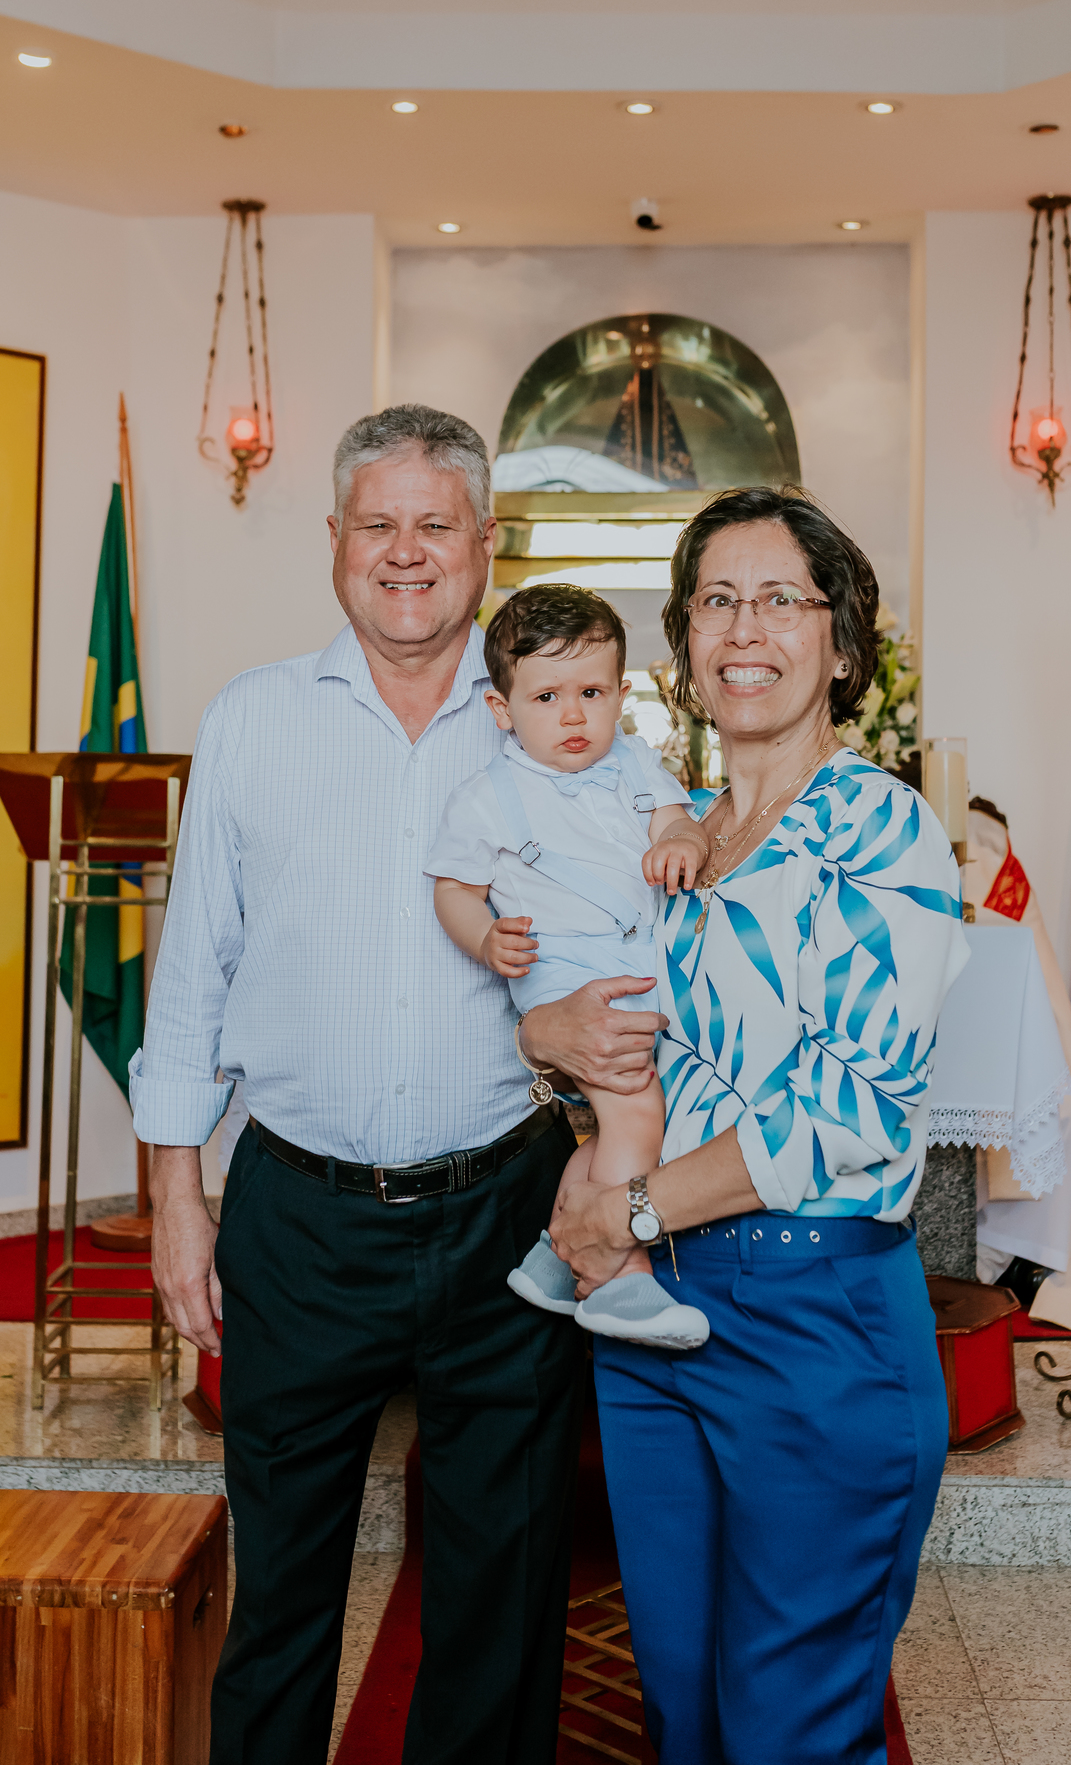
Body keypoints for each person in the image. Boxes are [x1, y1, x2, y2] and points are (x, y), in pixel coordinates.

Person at [132, 404, 668, 1765]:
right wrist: (177, 1195)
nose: (407, 552)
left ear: (487, 545)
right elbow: (192, 969)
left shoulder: (558, 728)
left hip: (503, 1204)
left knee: (502, 1590)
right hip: (298, 1215)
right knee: (284, 1594)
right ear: (334, 542)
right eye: (379, 523)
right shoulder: (255, 719)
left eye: (438, 524)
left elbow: (652, 909)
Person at [547, 486, 971, 1765]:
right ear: (684, 644)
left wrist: (622, 1210)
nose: (746, 628)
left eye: (781, 598)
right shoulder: (679, 840)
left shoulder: (879, 828)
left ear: (842, 643)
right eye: (715, 601)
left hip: (814, 1318)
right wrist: (555, 1050)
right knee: (683, 1708)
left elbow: (848, 1102)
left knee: (791, 1729)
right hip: (659, 1319)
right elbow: (645, 1062)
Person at [429, 582, 710, 1349]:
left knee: (611, 1130)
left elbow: (675, 817)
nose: (575, 714)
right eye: (548, 695)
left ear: (622, 692)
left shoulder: (633, 764)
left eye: (591, 691)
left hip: (640, 964)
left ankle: (553, 1259)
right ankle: (619, 1279)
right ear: (502, 709)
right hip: (564, 979)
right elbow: (454, 890)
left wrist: (680, 839)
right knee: (635, 1110)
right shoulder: (487, 796)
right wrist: (486, 940)